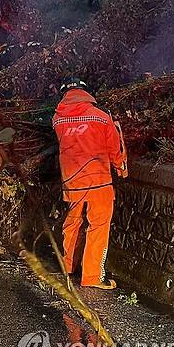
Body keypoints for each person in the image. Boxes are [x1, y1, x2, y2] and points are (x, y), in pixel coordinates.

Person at [52, 77, 128, 290]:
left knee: (73, 223)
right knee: (98, 227)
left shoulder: (57, 120)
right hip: (99, 183)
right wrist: (120, 167)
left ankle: (68, 267)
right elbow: (115, 149)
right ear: (86, 93)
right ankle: (92, 277)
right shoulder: (102, 118)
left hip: (72, 183)